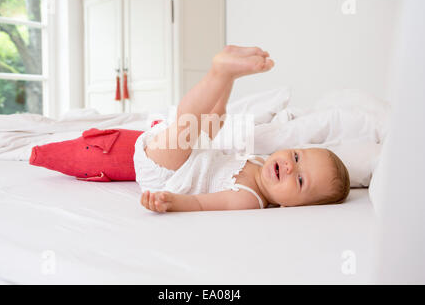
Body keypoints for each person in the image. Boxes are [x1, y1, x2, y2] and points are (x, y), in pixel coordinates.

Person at [134, 45, 350, 212]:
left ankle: (218, 73)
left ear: (291, 207)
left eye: (300, 180)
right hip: (194, 155)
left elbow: (200, 203)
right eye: (295, 157)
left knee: (186, 125)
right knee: (217, 118)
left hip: (170, 176)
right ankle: (229, 77)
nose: (289, 167)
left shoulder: (248, 199)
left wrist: (171, 202)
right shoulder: (260, 161)